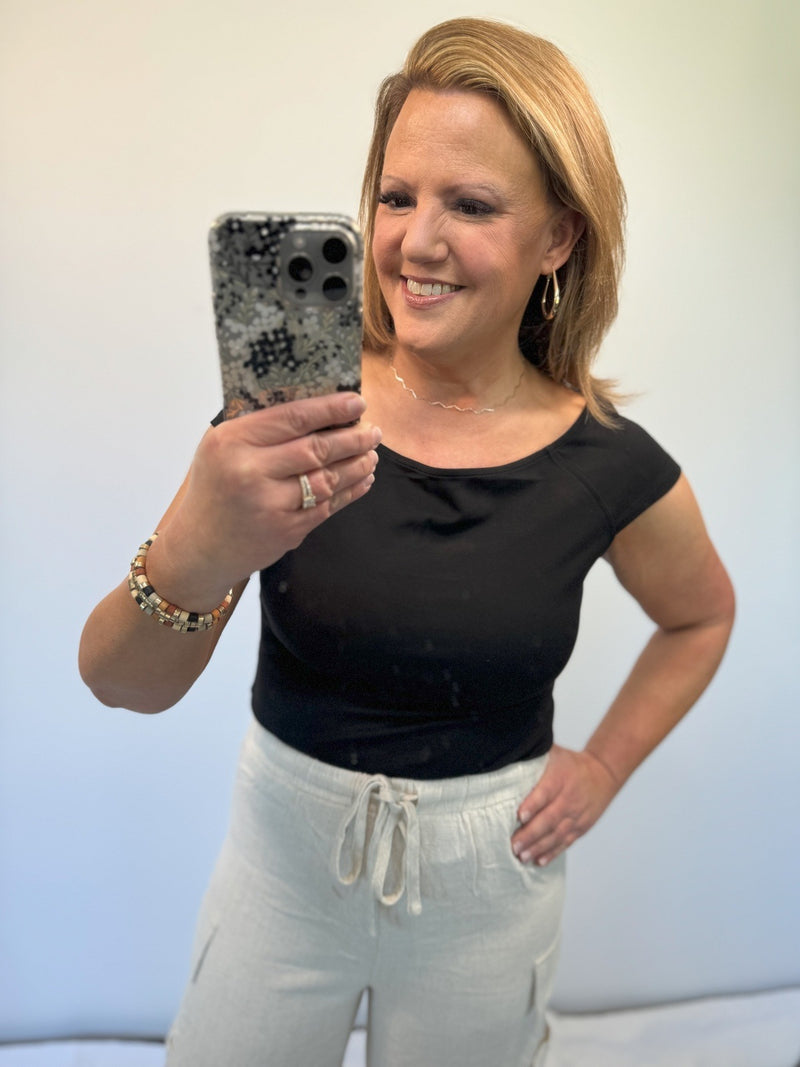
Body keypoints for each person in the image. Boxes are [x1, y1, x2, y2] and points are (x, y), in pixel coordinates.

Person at [79, 16, 735, 1067]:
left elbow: (701, 614)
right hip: (283, 863)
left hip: (490, 885)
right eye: (395, 196)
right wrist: (197, 543)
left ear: (558, 238)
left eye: (469, 204)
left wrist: (605, 766)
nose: (415, 242)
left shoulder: (606, 463)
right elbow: (120, 682)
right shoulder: (296, 417)